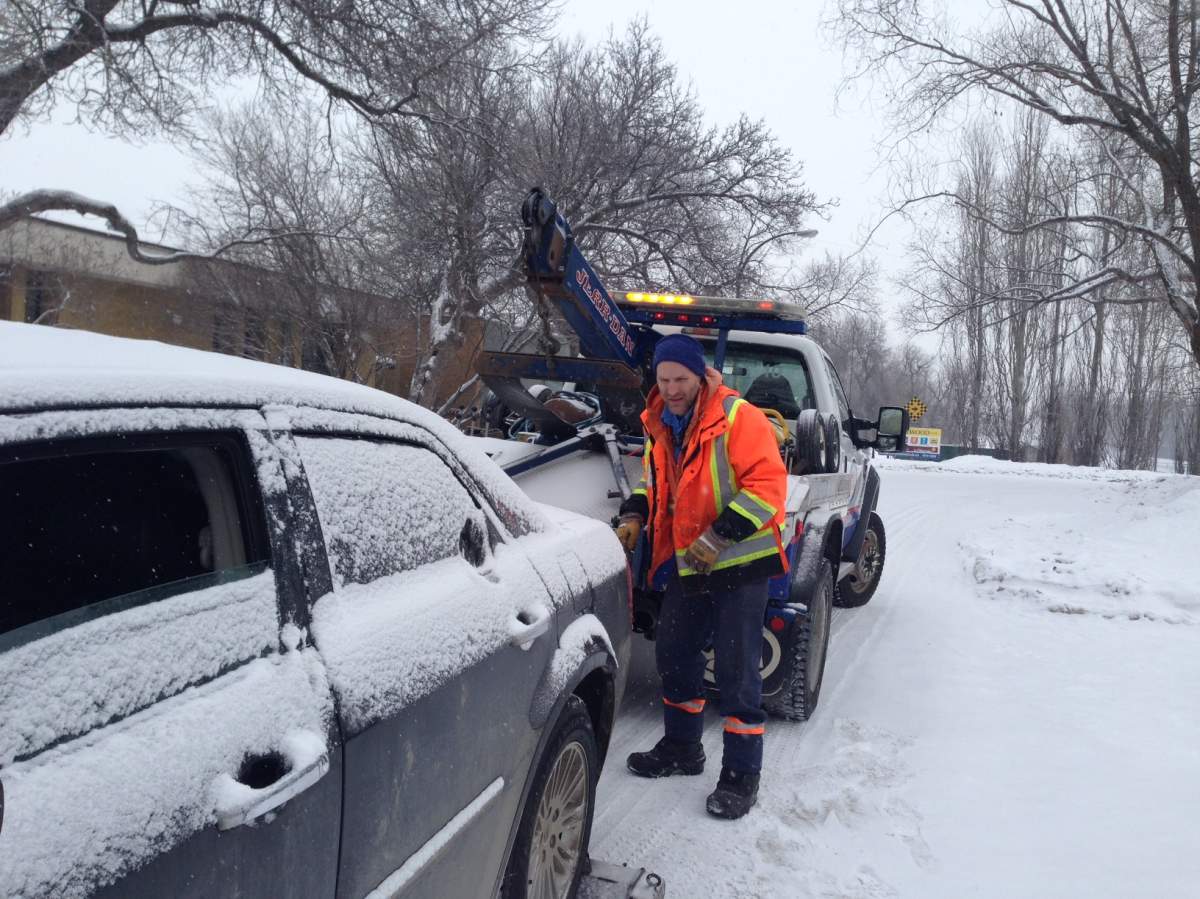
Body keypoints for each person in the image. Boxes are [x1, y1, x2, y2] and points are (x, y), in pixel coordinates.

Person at [614, 333, 789, 819]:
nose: (671, 389)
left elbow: (768, 487)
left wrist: (720, 535)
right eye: (664, 379)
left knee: (736, 671)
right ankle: (682, 749)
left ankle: (741, 774)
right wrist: (635, 513)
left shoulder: (738, 416)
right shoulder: (660, 422)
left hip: (741, 563)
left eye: (681, 380)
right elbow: (656, 481)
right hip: (691, 562)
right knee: (674, 653)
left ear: (700, 377)